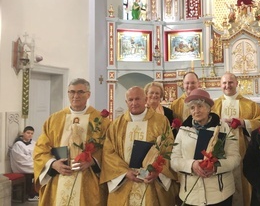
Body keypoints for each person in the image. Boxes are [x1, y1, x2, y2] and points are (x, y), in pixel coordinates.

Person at [33, 78, 110, 206]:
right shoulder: (55, 119)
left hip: (88, 178)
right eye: (72, 92)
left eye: (80, 92)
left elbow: (109, 150)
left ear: (88, 94)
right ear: (68, 93)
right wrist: (53, 164)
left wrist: (93, 161)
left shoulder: (101, 121)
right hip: (59, 177)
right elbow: (40, 148)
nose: (76, 96)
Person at [100, 86, 177, 206]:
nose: (134, 103)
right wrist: (125, 172)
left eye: (137, 99)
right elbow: (108, 152)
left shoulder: (161, 121)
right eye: (130, 100)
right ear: (126, 102)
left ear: (146, 99)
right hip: (125, 181)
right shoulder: (116, 125)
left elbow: (168, 148)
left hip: (151, 182)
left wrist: (157, 171)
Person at [171, 88, 241, 205]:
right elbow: (174, 160)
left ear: (208, 108)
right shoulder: (183, 130)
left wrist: (215, 167)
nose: (196, 111)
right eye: (192, 108)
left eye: (200, 106)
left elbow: (235, 158)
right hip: (191, 194)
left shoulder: (223, 128)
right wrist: (191, 165)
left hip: (220, 193)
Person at [212, 72, 260, 206]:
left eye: (230, 82)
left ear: (237, 83)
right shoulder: (214, 105)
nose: (227, 85)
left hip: (243, 150)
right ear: (220, 85)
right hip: (220, 152)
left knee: (242, 183)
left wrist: (244, 123)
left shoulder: (250, 105)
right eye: (224, 83)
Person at [10, 126, 39, 201]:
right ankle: (30, 195)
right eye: (28, 133)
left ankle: (37, 192)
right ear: (23, 133)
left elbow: (38, 153)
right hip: (22, 166)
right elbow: (20, 158)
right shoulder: (18, 144)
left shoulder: (33, 143)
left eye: (32, 133)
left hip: (32, 163)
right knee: (35, 172)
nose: (30, 135)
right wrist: (34, 161)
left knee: (42, 171)